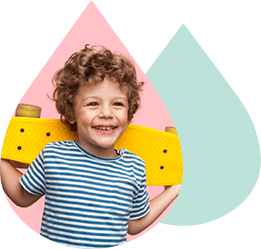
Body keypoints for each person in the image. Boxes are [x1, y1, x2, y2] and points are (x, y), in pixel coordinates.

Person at [0, 44, 181, 249]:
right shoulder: (53, 155)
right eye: (93, 103)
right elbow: (22, 196)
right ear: (70, 113)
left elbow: (133, 224)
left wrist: (174, 190)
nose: (106, 113)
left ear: (129, 114)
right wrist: (3, 157)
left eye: (118, 104)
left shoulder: (135, 167)